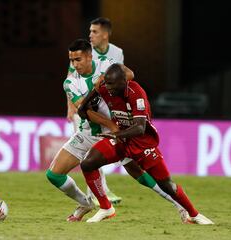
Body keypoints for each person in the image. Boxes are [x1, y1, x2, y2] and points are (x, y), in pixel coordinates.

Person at [47, 39, 187, 222]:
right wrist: (111, 125)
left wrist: (106, 79)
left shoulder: (106, 66)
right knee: (54, 174)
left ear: (90, 56)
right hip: (88, 133)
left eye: (78, 59)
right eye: (72, 60)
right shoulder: (70, 83)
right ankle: (86, 203)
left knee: (139, 173)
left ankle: (181, 206)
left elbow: (130, 74)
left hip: (117, 133)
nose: (74, 65)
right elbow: (85, 111)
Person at [78, 63, 214, 224]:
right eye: (106, 84)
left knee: (167, 185)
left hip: (143, 143)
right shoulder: (105, 89)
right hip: (121, 140)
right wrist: (93, 93)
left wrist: (116, 133)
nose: (108, 88)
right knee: (88, 163)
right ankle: (106, 207)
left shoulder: (137, 93)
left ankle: (194, 214)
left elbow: (140, 128)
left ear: (123, 81)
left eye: (111, 84)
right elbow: (81, 110)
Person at [66, 18, 126, 204]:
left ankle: (98, 193)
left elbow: (121, 77)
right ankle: (102, 192)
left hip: (107, 109)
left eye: (94, 32)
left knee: (102, 151)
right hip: (83, 108)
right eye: (90, 31)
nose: (90, 35)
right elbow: (71, 78)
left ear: (105, 34)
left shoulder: (116, 53)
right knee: (90, 150)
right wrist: (70, 107)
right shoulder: (79, 56)